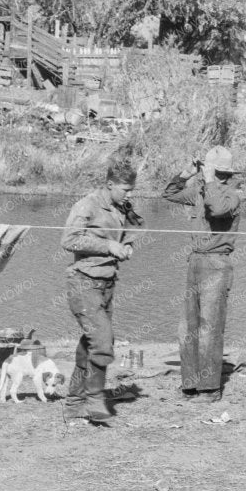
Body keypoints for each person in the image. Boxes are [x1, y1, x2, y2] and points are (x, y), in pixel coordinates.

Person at [60, 161, 141, 424]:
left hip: (107, 282)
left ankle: (73, 404)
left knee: (90, 344)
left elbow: (129, 231)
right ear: (110, 185)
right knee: (103, 342)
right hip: (84, 281)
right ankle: (94, 399)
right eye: (125, 189)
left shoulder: (121, 207)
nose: (130, 195)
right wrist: (108, 246)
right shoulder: (87, 205)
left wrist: (126, 246)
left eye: (132, 190)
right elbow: (69, 240)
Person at [164, 145, 242, 399]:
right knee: (188, 327)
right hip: (195, 262)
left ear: (218, 172)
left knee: (209, 327)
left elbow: (217, 209)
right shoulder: (199, 191)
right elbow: (169, 193)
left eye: (207, 168)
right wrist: (185, 174)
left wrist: (208, 180)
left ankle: (209, 387)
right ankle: (190, 384)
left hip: (217, 264)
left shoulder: (231, 195)